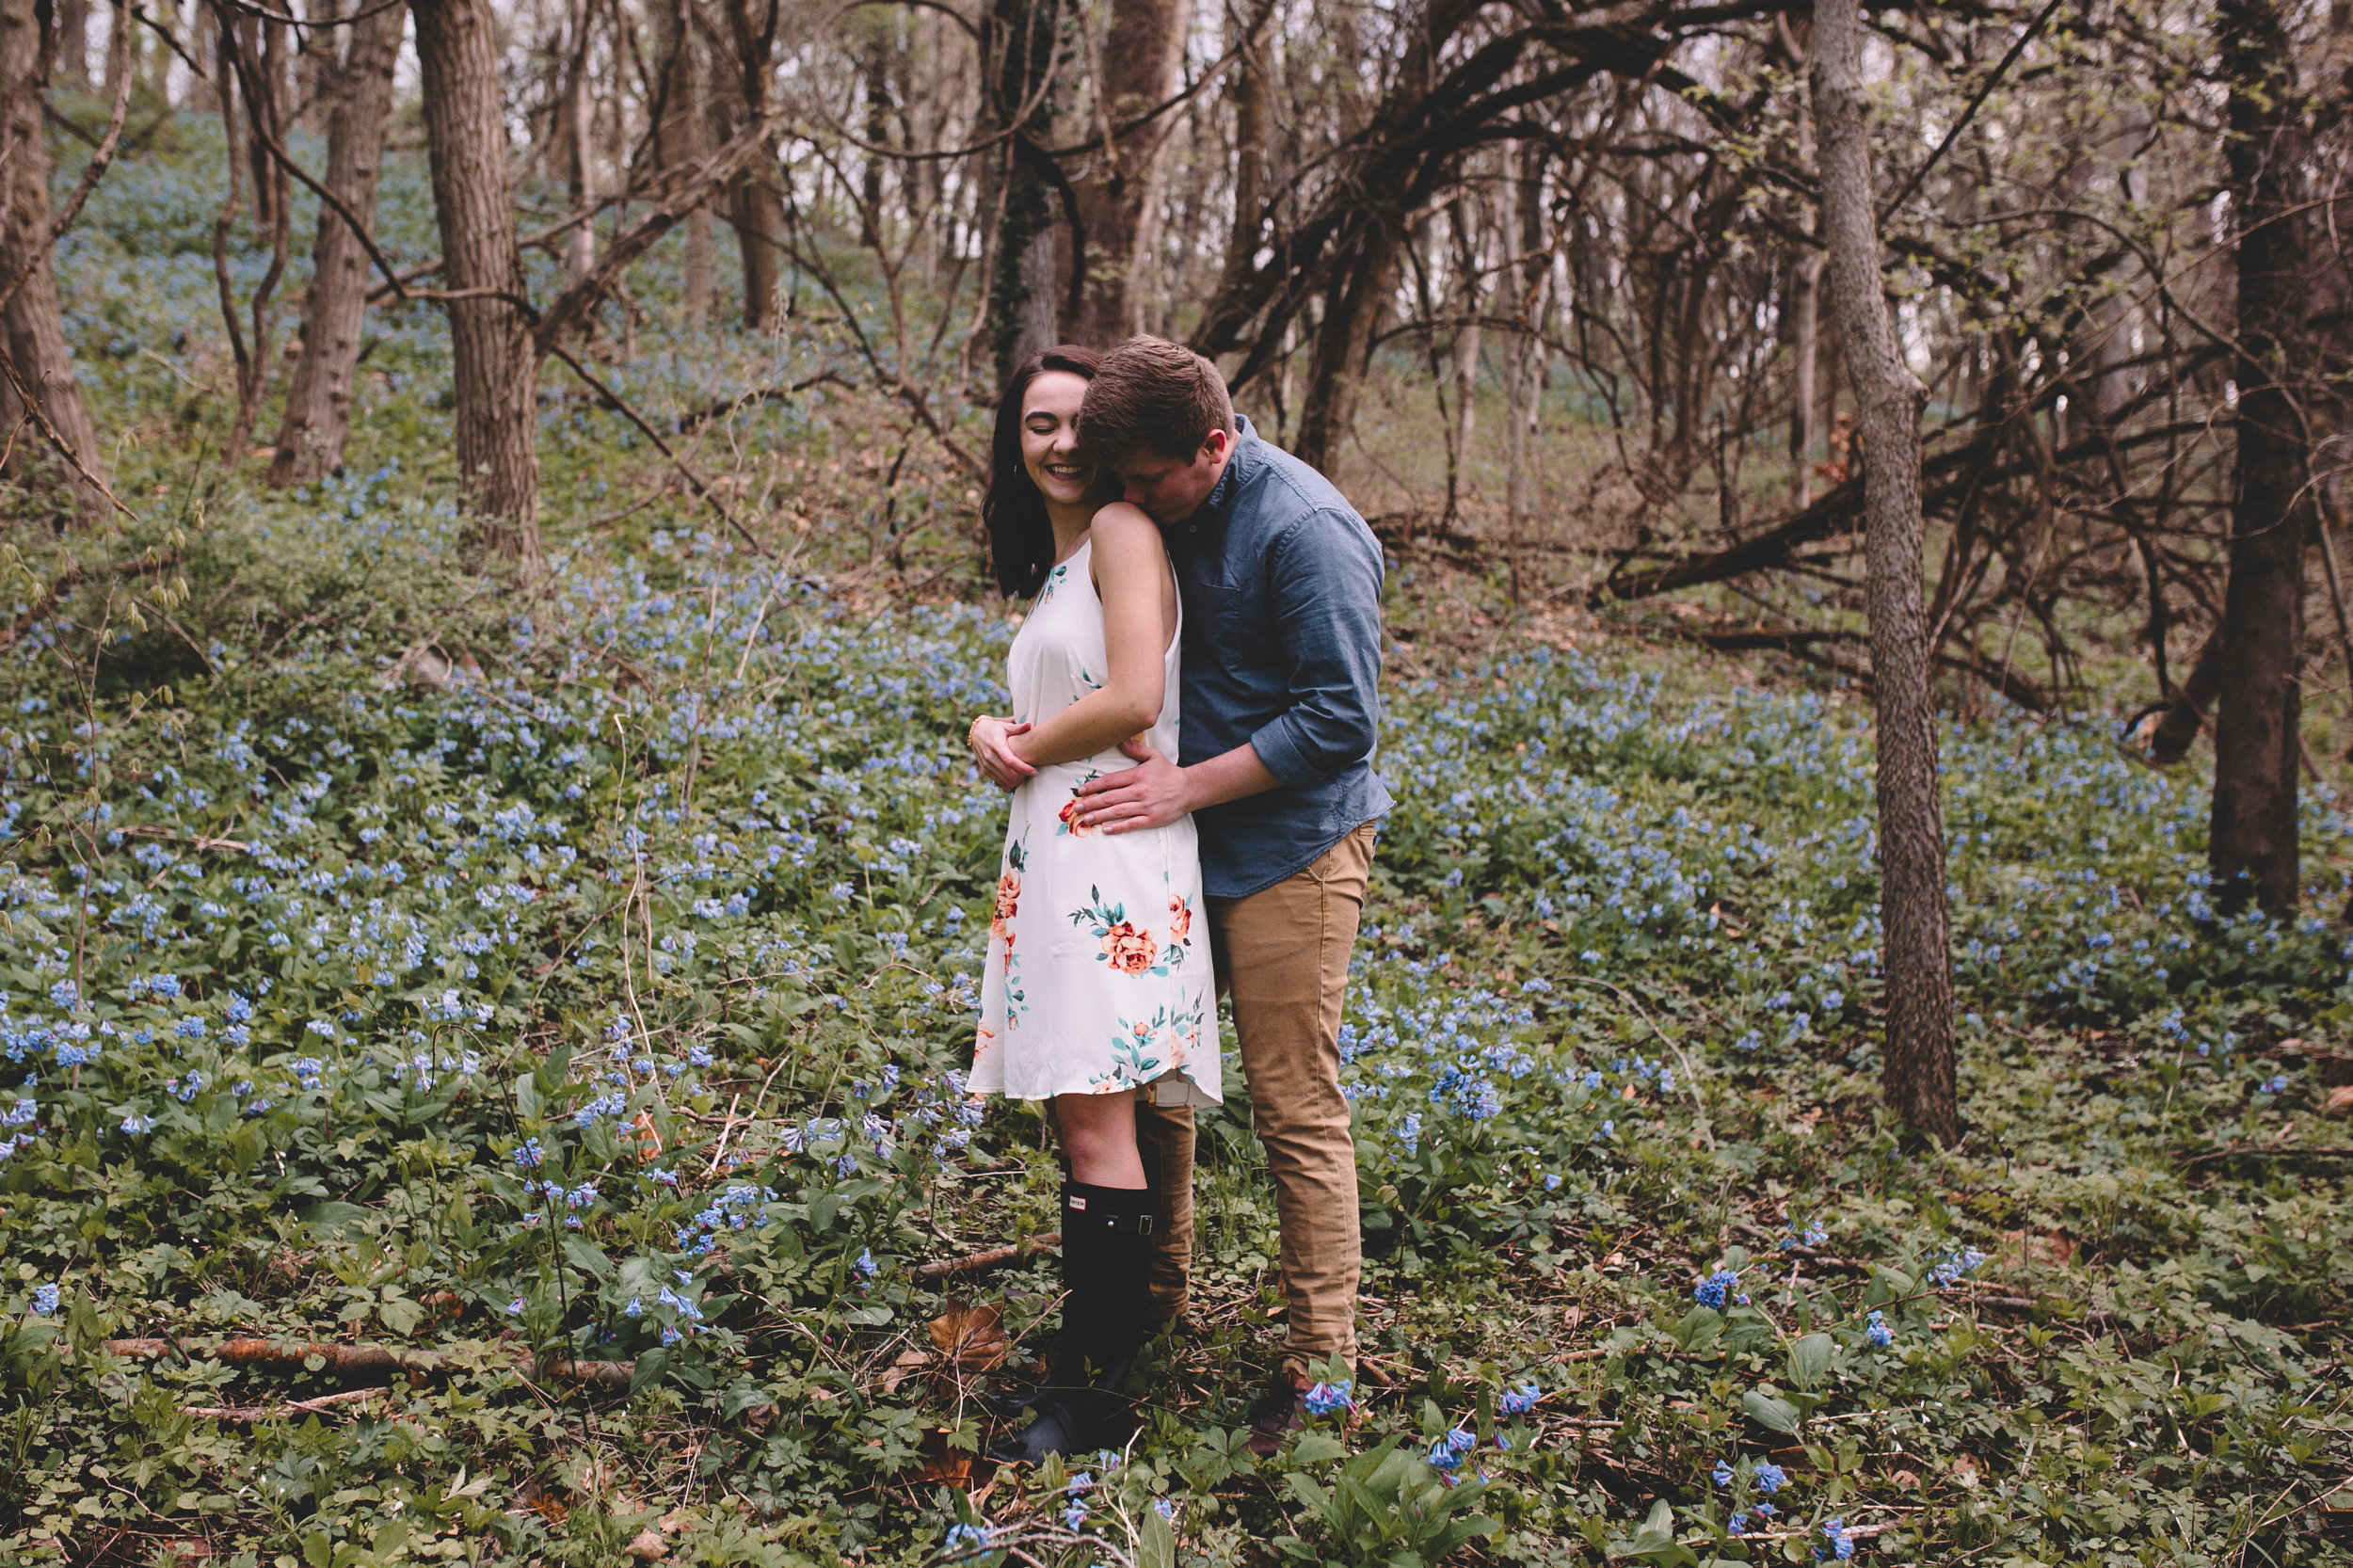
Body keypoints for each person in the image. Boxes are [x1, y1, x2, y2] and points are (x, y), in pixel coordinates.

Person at [1061, 335, 1389, 1454]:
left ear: (1214, 442)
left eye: (1147, 480)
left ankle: (1320, 1371)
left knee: (1294, 1104)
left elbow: (1341, 720)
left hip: (1290, 848)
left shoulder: (1305, 530)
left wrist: (1183, 787)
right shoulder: (1159, 507)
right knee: (1160, 1084)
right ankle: (1152, 1305)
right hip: (1177, 846)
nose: (1132, 499)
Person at [964, 344, 1219, 1463]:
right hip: (1067, 851)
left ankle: (1095, 1398)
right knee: (1082, 1118)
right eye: (1037, 426)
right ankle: (1089, 1365)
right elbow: (1072, 703)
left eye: (1077, 424)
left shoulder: (1122, 531)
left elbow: (1132, 696)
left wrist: (1011, 739)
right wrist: (992, 730)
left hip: (1110, 853)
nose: (1060, 444)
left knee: (1097, 1119)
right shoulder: (1066, 561)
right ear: (1013, 446)